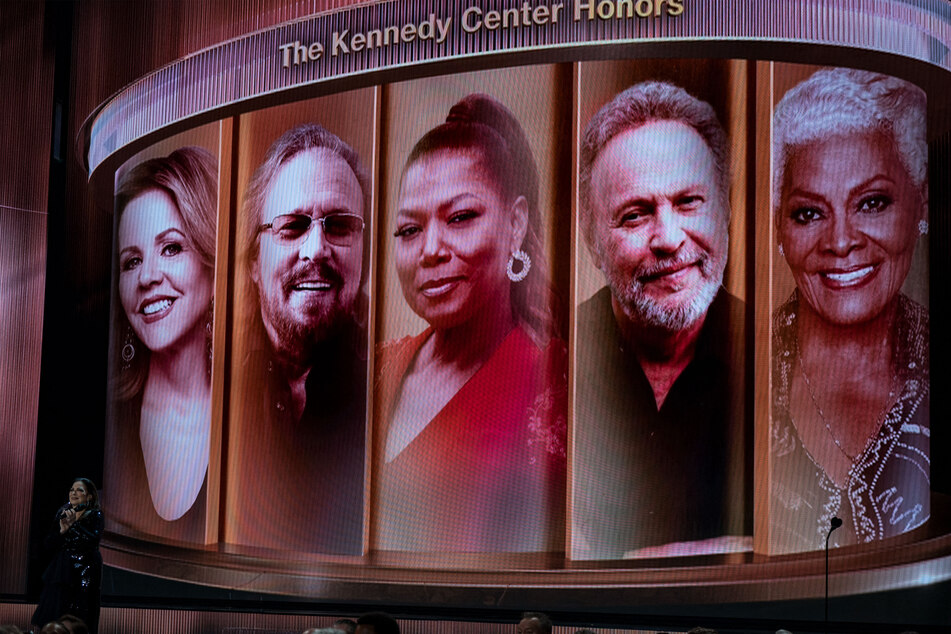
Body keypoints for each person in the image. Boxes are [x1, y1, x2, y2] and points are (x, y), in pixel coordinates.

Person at [375, 94, 567, 553]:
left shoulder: (555, 385)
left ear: (516, 223)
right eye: (408, 229)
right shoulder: (379, 366)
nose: (431, 250)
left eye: (460, 217)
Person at [573, 81, 750, 560]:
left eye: (689, 202)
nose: (669, 238)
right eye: (635, 215)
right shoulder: (548, 360)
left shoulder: (781, 355)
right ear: (592, 242)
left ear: (726, 213)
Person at [770, 68, 929, 553]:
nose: (840, 241)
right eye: (809, 213)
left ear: (919, 207)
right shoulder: (735, 370)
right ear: (779, 228)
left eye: (873, 203)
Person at [229, 123, 370, 553]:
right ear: (254, 260)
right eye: (292, 226)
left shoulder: (393, 393)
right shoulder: (213, 390)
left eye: (340, 225)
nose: (316, 249)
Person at [106, 147, 217, 541]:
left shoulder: (253, 415)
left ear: (212, 261)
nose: (147, 277)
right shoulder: (107, 418)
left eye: (171, 248)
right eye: (130, 261)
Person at [31, 479, 103, 634]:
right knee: (55, 609)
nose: (74, 493)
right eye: (72, 489)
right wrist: (62, 531)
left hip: (86, 569)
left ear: (89, 496)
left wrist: (73, 525)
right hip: (62, 570)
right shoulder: (63, 511)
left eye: (79, 490)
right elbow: (49, 543)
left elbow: (92, 540)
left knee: (81, 610)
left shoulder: (95, 514)